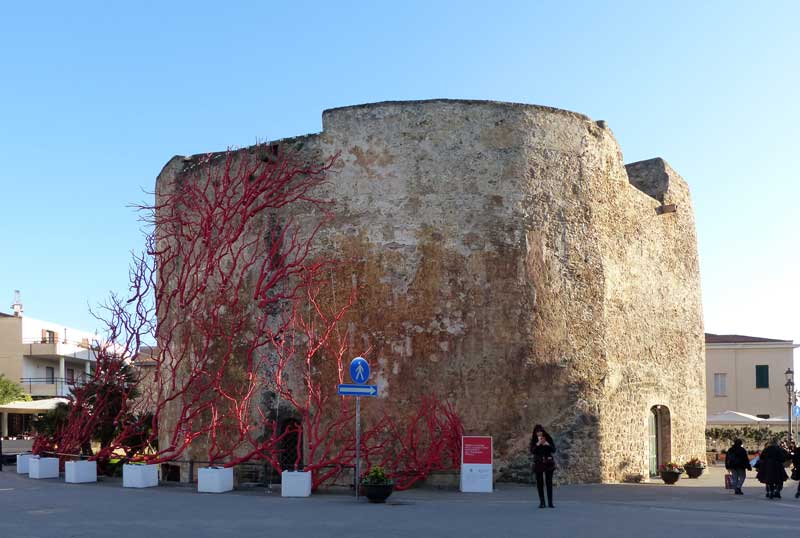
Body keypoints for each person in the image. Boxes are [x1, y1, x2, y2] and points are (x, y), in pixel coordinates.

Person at [530, 424, 556, 508]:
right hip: (538, 463)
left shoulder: (547, 437)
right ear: (535, 433)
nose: (539, 434)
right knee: (539, 483)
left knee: (549, 483)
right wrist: (538, 443)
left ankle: (550, 502)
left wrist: (547, 444)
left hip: (548, 463)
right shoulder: (534, 440)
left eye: (540, 431)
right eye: (537, 432)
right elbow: (532, 451)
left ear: (543, 431)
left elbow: (553, 450)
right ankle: (542, 502)